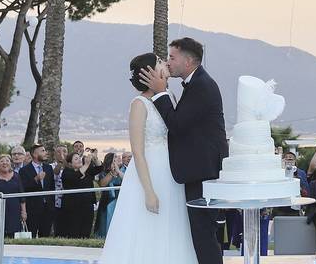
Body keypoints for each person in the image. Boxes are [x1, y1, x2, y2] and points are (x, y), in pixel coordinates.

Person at [99, 52, 198, 263]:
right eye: (161, 62)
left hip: (172, 174)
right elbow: (137, 151)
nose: (165, 64)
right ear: (149, 72)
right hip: (149, 175)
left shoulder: (170, 96)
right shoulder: (139, 104)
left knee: (172, 227)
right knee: (146, 228)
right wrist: (149, 191)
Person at [140, 37, 229, 264]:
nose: (168, 62)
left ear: (188, 61)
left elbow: (177, 125)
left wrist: (160, 92)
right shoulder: (198, 82)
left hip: (203, 172)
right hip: (198, 170)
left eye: (172, 57)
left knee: (204, 236)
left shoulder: (201, 85)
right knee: (202, 235)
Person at [19, 144, 56, 238]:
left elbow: (52, 187)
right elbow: (23, 188)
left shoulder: (48, 168)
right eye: (42, 151)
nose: (45, 153)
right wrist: (35, 179)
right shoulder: (24, 170)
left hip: (47, 208)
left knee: (45, 235)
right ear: (35, 154)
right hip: (32, 208)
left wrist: (52, 204)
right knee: (31, 234)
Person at [59, 151, 98, 237]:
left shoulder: (87, 170)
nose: (80, 160)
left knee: (86, 231)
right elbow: (76, 176)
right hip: (73, 207)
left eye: (79, 158)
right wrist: (86, 164)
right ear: (70, 163)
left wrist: (95, 159)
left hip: (87, 205)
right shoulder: (67, 172)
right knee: (74, 231)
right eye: (76, 159)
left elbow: (99, 169)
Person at [95, 152, 123, 237]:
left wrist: (118, 171)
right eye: (116, 157)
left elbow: (127, 181)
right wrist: (112, 172)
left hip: (120, 201)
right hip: (108, 202)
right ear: (110, 160)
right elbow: (102, 184)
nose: (119, 158)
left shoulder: (122, 171)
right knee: (107, 221)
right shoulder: (103, 173)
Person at [49, 146, 68, 236]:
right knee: (57, 225)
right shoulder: (50, 166)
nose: (62, 154)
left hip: (69, 199)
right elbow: (55, 173)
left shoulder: (71, 165)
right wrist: (60, 163)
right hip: (56, 201)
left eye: (64, 151)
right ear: (54, 155)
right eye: (58, 152)